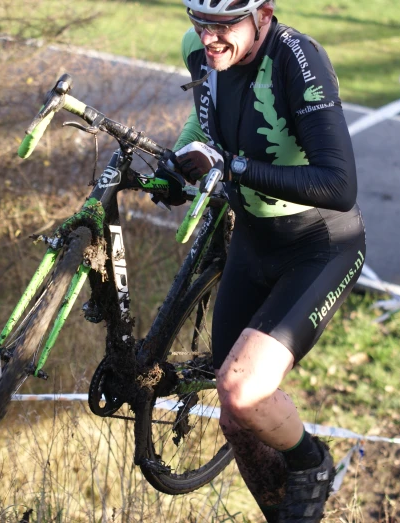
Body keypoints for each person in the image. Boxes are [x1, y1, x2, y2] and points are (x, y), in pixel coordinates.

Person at [157, 0, 367, 521]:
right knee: (235, 417)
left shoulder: (298, 60)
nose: (209, 40)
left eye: (224, 25)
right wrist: (179, 163)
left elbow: (338, 185)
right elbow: (201, 116)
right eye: (199, 24)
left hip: (320, 245)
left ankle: (311, 461)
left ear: (264, 15)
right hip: (252, 243)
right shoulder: (201, 51)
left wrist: (232, 164)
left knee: (242, 388)